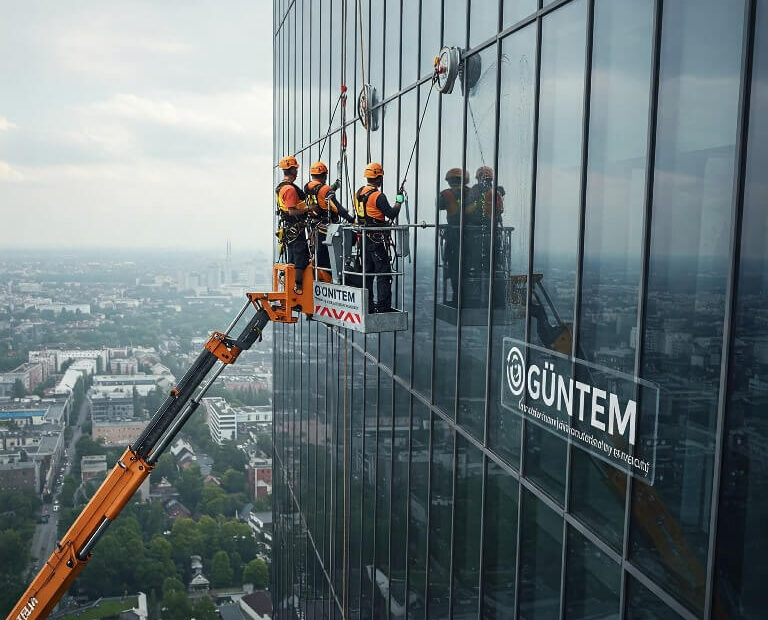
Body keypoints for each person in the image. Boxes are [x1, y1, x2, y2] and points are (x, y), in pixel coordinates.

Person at [355, 162, 401, 313]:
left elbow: (368, 213)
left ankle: (367, 305)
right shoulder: (378, 196)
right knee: (383, 272)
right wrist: (399, 201)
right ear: (379, 178)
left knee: (367, 273)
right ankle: (383, 306)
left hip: (363, 238)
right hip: (375, 240)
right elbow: (392, 213)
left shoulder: (359, 192)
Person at [304, 161, 355, 273]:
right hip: (326, 228)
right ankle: (334, 274)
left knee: (319, 255)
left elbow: (320, 195)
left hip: (314, 226)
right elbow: (338, 209)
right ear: (324, 175)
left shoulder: (307, 186)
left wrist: (334, 187)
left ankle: (323, 273)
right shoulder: (326, 190)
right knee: (330, 254)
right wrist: (352, 219)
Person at [275, 155, 309, 293]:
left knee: (293, 257)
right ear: (293, 170)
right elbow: (291, 211)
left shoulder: (282, 187)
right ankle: (298, 286)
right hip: (295, 228)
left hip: (289, 230)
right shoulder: (289, 189)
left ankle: (292, 284)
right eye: (295, 169)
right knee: (300, 257)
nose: (297, 171)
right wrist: (308, 209)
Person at [438, 168, 469, 305]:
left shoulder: (446, 194)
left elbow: (440, 206)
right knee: (468, 268)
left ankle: (458, 298)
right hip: (470, 237)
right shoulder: (472, 192)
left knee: (453, 267)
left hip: (454, 237)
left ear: (449, 181)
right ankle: (466, 297)